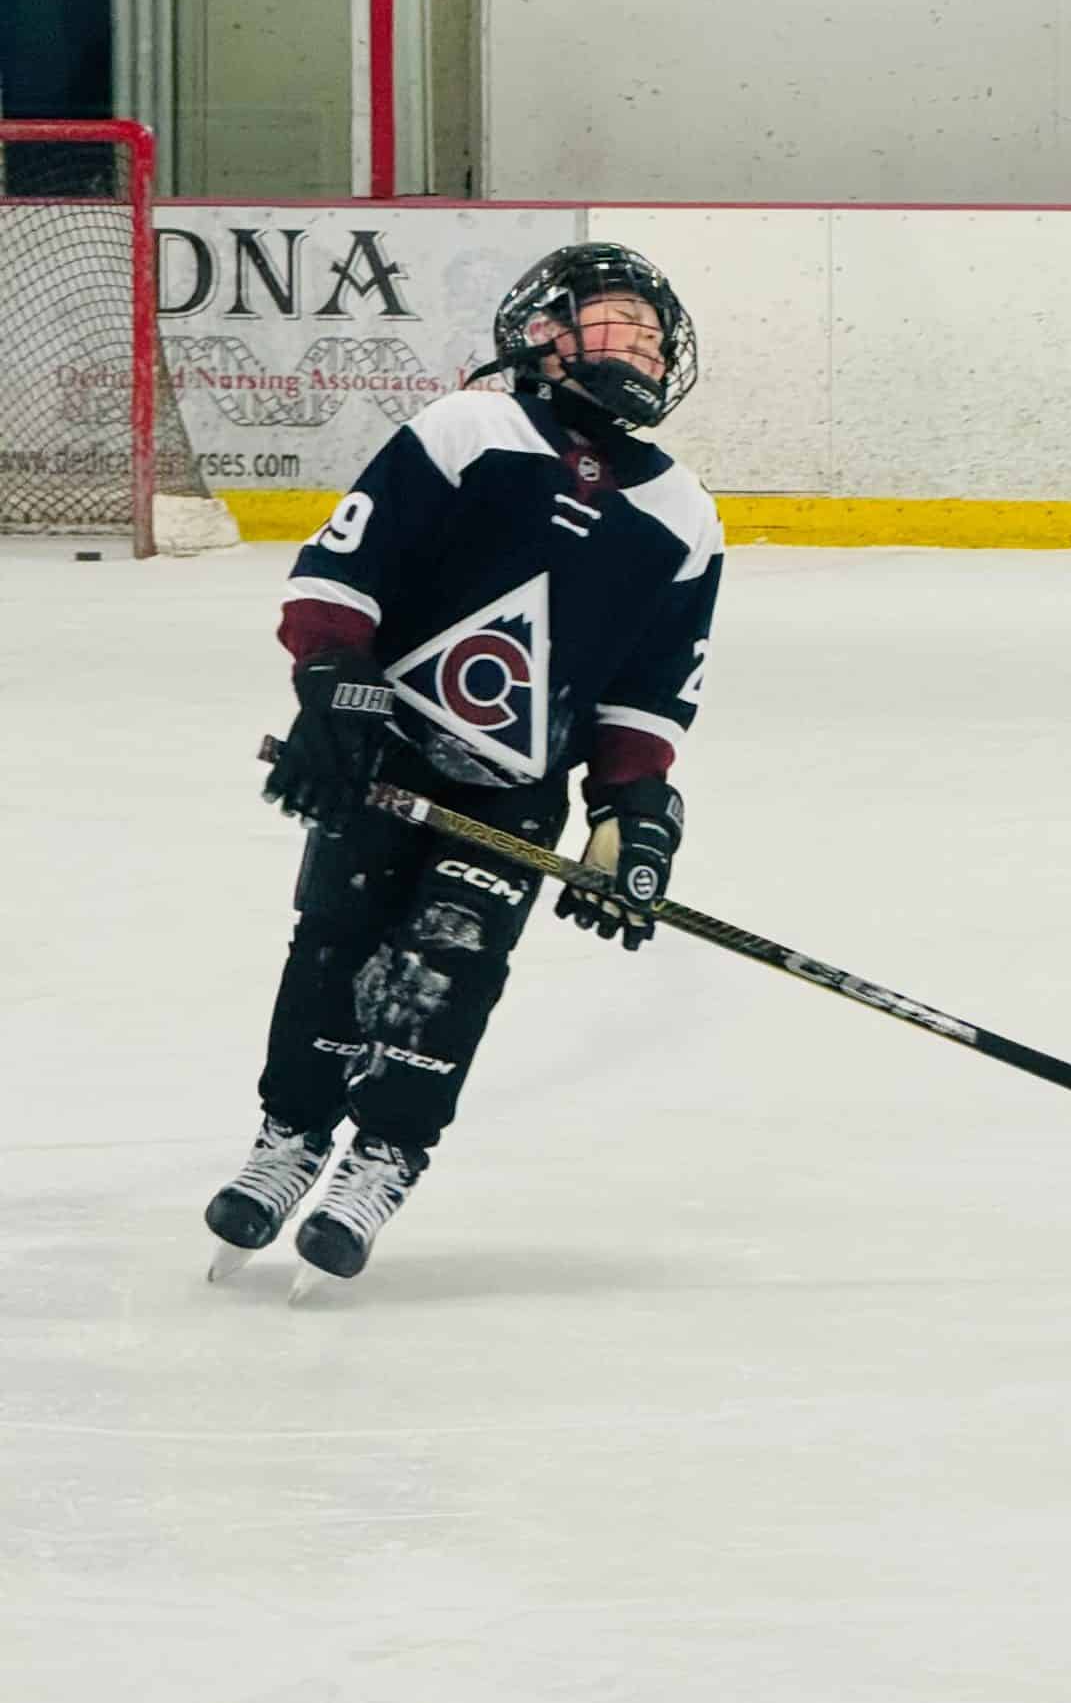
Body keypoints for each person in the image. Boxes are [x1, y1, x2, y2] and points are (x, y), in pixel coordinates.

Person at [204, 242, 723, 1283]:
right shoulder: (469, 430)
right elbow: (342, 573)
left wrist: (632, 810)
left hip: (515, 790)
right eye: (619, 323)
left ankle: (383, 1158)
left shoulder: (683, 516)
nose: (644, 348)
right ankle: (288, 1138)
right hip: (383, 752)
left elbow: (650, 689)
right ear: (543, 332)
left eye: (654, 337)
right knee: (333, 943)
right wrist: (334, 685)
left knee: (453, 970)